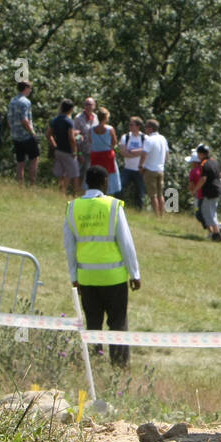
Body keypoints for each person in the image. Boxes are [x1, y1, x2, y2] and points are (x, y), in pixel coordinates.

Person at [64, 165, 141, 366]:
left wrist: (74, 276)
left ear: (86, 182)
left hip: (87, 278)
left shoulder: (73, 207)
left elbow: (69, 247)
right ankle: (119, 365)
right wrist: (134, 273)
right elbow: (126, 242)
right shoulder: (113, 206)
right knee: (118, 323)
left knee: (93, 323)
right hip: (113, 277)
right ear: (105, 182)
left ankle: (94, 362)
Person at [7, 81, 39, 185]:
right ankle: (32, 183)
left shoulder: (12, 101)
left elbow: (9, 119)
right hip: (26, 135)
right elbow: (25, 119)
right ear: (26, 88)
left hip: (15, 135)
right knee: (34, 159)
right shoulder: (25, 102)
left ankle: (20, 184)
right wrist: (32, 132)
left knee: (20, 162)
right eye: (30, 88)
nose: (30, 90)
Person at [47, 98, 80, 197]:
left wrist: (54, 145)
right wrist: (75, 151)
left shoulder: (55, 120)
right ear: (71, 109)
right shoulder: (69, 121)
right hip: (68, 150)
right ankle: (72, 193)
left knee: (61, 173)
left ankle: (60, 191)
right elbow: (71, 138)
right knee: (74, 173)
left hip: (58, 150)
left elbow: (48, 134)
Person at [196, 143, 221, 242]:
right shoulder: (214, 161)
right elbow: (220, 174)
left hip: (210, 191)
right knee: (209, 211)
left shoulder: (204, 164)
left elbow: (203, 178)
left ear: (201, 154)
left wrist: (195, 189)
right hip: (218, 189)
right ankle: (214, 232)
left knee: (209, 212)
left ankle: (217, 233)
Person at [88, 107, 120, 196]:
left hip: (96, 155)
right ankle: (108, 194)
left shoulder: (91, 129)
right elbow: (114, 142)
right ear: (106, 118)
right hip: (107, 155)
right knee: (109, 176)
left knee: (96, 174)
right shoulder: (110, 129)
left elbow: (90, 141)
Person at [140, 118, 168, 217]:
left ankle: (156, 215)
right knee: (160, 194)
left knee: (153, 195)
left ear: (150, 128)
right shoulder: (162, 138)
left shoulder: (149, 139)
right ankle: (162, 214)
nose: (145, 129)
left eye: (146, 127)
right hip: (160, 169)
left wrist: (141, 166)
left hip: (150, 169)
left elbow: (144, 154)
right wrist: (162, 164)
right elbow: (167, 154)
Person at [119, 117, 147, 209]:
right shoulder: (125, 137)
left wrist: (131, 152)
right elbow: (123, 152)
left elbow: (146, 152)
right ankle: (119, 207)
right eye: (129, 124)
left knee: (140, 192)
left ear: (138, 126)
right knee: (120, 188)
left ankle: (139, 210)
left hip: (140, 169)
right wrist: (138, 152)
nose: (129, 126)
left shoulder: (145, 138)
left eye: (132, 124)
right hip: (127, 168)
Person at [73, 97, 97, 191]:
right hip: (82, 150)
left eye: (90, 104)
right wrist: (79, 153)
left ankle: (85, 193)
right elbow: (76, 136)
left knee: (89, 173)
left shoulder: (96, 117)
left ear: (94, 106)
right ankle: (75, 191)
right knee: (79, 172)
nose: (88, 106)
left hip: (93, 151)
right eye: (86, 104)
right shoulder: (78, 118)